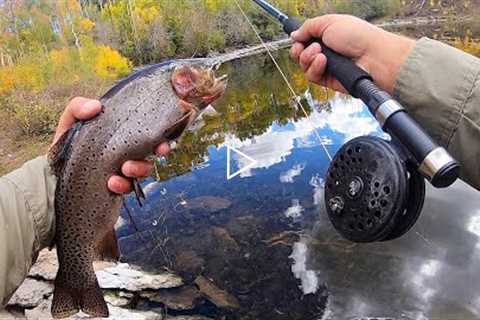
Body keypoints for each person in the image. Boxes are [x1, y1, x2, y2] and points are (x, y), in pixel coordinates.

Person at [1, 13, 479, 307]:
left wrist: (51, 176)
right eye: (201, 75)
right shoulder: (169, 88)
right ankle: (75, 273)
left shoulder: (175, 97)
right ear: (183, 85)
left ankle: (75, 269)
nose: (211, 79)